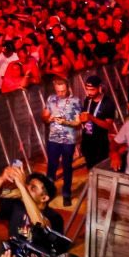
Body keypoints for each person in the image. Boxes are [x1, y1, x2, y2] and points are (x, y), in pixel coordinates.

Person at [41, 76, 82, 206]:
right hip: (53, 139)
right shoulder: (51, 99)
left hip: (68, 140)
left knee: (67, 166)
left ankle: (66, 194)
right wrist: (49, 119)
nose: (61, 94)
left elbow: (78, 123)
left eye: (63, 91)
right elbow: (44, 117)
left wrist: (65, 122)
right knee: (51, 167)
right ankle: (49, 192)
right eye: (58, 91)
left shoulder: (75, 101)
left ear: (68, 88)